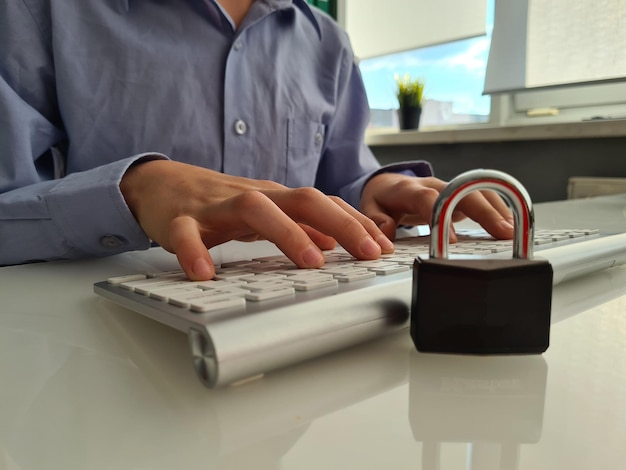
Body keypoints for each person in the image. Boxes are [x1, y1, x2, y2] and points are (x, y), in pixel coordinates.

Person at [0, 0, 514, 281]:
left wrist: (372, 190)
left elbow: (338, 180)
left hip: (306, 321)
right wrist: (132, 192)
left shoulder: (326, 41)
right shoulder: (37, 12)